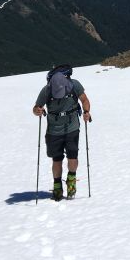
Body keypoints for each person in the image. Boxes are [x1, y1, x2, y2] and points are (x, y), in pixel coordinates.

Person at [32, 64, 91, 200]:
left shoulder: (74, 85)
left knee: (72, 156)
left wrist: (86, 112)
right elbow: (36, 108)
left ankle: (71, 180)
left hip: (72, 127)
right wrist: (38, 111)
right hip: (54, 130)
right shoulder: (46, 90)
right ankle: (57, 185)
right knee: (57, 159)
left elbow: (84, 100)